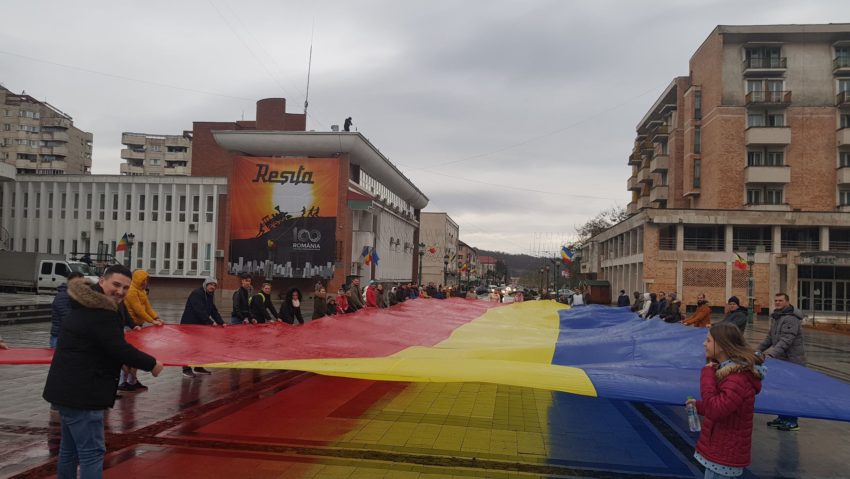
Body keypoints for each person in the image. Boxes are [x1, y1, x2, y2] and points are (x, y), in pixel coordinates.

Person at [42, 264, 164, 478]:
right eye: (116, 285)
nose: (120, 291)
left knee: (69, 450)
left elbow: (100, 345)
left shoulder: (85, 304)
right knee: (91, 453)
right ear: (102, 281)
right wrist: (152, 364)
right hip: (83, 394)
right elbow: (118, 347)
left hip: (66, 391)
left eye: (125, 288)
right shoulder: (101, 312)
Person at [688, 322, 765, 479]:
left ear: (722, 346)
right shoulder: (728, 372)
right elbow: (725, 405)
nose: (704, 343)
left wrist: (707, 375)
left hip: (725, 451)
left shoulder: (737, 378)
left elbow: (717, 410)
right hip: (721, 449)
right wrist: (698, 406)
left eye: (708, 340)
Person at [758, 293, 806, 431]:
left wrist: (771, 354)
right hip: (781, 361)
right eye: (776, 300)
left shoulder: (791, 318)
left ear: (787, 302)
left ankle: (792, 421)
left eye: (780, 300)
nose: (777, 303)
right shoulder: (777, 317)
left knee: (791, 393)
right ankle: (782, 417)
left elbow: (786, 340)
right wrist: (757, 350)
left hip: (792, 362)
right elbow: (769, 338)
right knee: (781, 391)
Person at [180, 277, 226, 378]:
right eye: (210, 284)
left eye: (214, 285)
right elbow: (199, 310)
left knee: (200, 347)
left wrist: (221, 322)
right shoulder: (197, 293)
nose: (212, 287)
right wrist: (210, 322)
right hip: (190, 325)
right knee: (189, 348)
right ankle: (186, 369)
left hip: (201, 327)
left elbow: (213, 310)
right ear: (205, 284)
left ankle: (198, 367)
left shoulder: (210, 295)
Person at [50, 272, 86, 348]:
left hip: (68, 336)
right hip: (60, 337)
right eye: (78, 282)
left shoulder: (74, 295)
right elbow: (67, 317)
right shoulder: (63, 296)